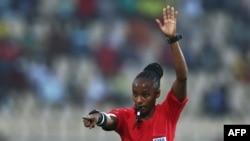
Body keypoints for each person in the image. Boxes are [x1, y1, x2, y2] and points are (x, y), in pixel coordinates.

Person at [82, 4, 188, 141]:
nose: (138, 100)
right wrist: (98, 117)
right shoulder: (126, 117)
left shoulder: (168, 112)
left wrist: (173, 39)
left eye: (145, 95)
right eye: (135, 94)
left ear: (157, 94)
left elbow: (182, 77)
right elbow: (110, 120)